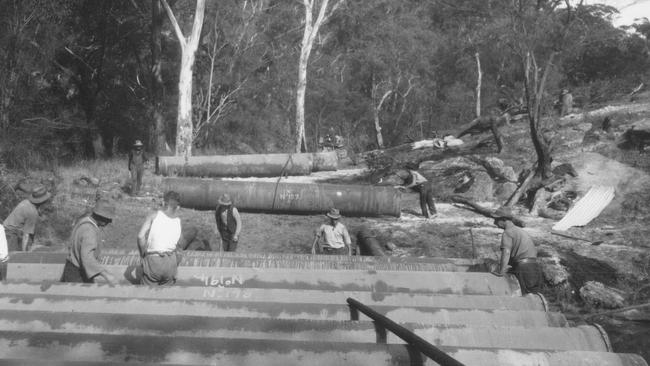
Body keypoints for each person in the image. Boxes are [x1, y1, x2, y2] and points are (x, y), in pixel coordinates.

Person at [60, 199, 117, 284]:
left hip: (72, 267)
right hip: (77, 273)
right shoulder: (89, 230)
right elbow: (87, 257)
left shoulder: (84, 221)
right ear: (101, 217)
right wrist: (106, 275)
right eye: (108, 219)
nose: (109, 222)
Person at [491, 206, 542, 295]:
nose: (494, 223)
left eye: (496, 220)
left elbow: (506, 253)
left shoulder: (508, 232)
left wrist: (501, 271)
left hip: (524, 267)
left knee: (526, 298)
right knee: (533, 296)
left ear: (503, 219)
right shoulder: (519, 231)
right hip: (534, 266)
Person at [137, 191, 182, 286]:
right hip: (171, 262)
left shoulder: (154, 215)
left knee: (145, 294)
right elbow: (179, 248)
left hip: (155, 261)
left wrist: (142, 255)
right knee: (165, 296)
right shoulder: (178, 221)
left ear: (163, 203)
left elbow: (140, 236)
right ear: (177, 207)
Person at [3, 185, 52, 252]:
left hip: (5, 228)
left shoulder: (26, 201)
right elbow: (26, 235)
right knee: (12, 258)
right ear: (43, 201)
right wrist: (24, 253)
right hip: (10, 235)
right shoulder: (32, 213)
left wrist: (40, 214)